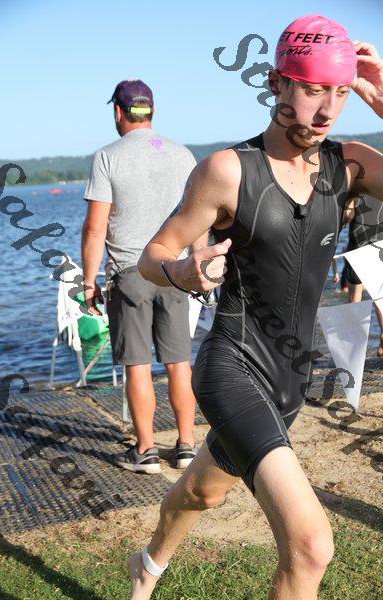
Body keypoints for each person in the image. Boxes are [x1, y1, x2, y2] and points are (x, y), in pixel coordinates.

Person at [130, 15, 383, 599]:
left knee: (203, 492)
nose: (327, 110)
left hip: (293, 378)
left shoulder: (349, 165)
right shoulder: (228, 171)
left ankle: (145, 568)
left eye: (341, 93)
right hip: (234, 367)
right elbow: (153, 254)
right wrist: (181, 271)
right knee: (311, 545)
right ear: (276, 83)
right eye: (313, 89)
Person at [81, 79, 208, 474]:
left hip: (130, 273)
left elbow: (95, 229)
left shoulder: (107, 156)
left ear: (119, 112)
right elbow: (200, 218)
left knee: (137, 365)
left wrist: (88, 283)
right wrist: (198, 266)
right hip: (174, 271)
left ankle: (146, 451)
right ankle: (186, 446)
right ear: (151, 111)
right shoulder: (183, 155)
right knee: (179, 362)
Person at [346, 193, 383, 356]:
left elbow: (348, 215)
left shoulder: (354, 186)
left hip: (358, 243)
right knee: (379, 297)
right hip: (380, 242)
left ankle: (354, 349)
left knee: (355, 298)